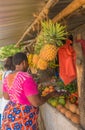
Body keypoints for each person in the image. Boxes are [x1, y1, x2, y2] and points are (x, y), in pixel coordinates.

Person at [1, 52, 57, 130]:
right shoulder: (25, 77)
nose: (28, 65)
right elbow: (36, 102)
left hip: (9, 115)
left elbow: (6, 97)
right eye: (27, 63)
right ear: (24, 62)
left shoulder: (7, 77)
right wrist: (50, 94)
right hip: (22, 118)